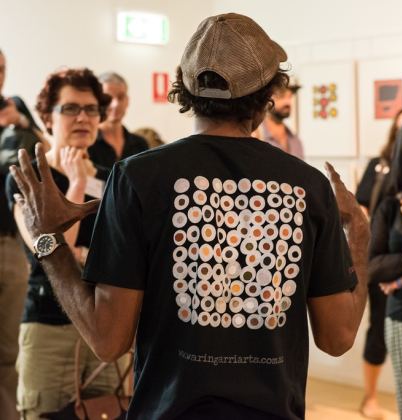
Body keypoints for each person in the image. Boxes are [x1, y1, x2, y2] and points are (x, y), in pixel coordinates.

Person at [9, 13, 369, 420]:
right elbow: (338, 337)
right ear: (268, 92)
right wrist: (358, 238)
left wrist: (49, 243)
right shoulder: (308, 186)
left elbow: (108, 340)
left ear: (183, 85)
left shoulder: (137, 178)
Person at [6, 68, 128, 419]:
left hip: (104, 326)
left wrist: (84, 254)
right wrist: (75, 184)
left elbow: (122, 255)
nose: (83, 118)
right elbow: (47, 253)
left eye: (91, 110)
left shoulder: (111, 178)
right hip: (50, 328)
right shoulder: (28, 176)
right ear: (46, 116)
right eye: (70, 109)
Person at [356, 107, 402, 419]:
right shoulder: (379, 167)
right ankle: (370, 397)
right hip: (384, 260)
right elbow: (360, 206)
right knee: (378, 330)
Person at [0, 48, 43, 420]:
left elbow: (45, 150)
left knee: (8, 349)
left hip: (8, 242)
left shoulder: (14, 109)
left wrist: (22, 125)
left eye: (0, 69)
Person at [88, 72, 148, 168]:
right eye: (108, 98)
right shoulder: (87, 143)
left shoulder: (140, 144)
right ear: (97, 102)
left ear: (127, 101)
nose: (115, 104)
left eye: (121, 97)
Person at [253, 81, 304, 159]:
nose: (288, 102)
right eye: (282, 96)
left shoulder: (295, 141)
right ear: (267, 98)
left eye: (290, 96)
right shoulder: (255, 136)